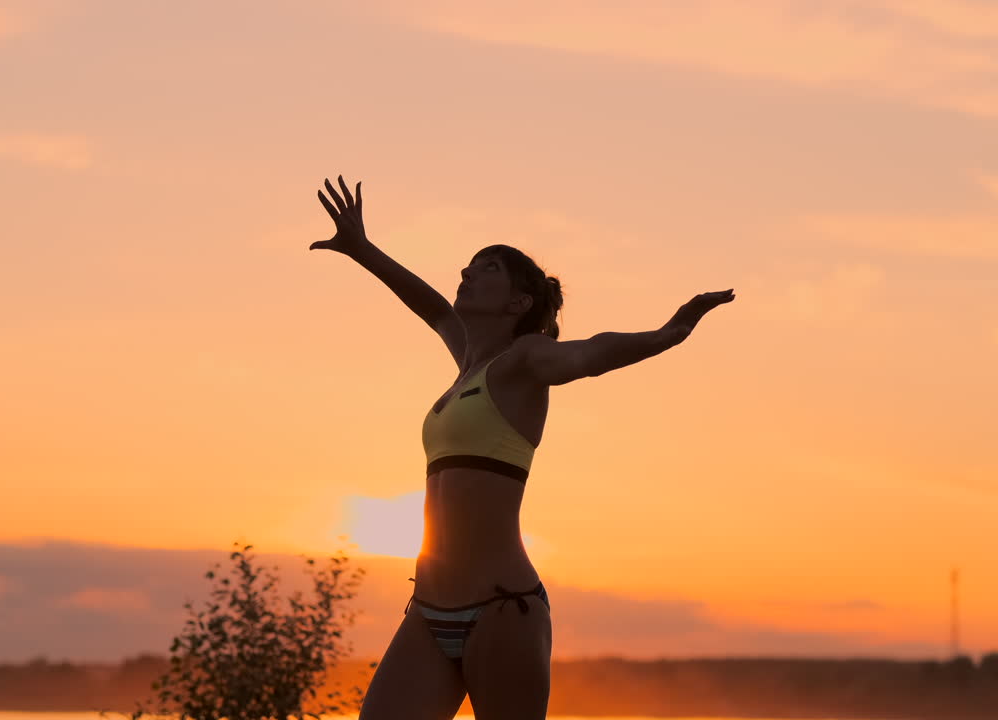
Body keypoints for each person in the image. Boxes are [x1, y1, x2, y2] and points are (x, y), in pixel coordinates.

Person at [310, 175, 735, 719]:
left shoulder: (525, 361)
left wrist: (667, 333)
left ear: (519, 301)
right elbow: (433, 306)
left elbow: (589, 354)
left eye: (488, 267)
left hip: (500, 608)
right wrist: (363, 250)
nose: (467, 272)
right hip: (427, 609)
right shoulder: (468, 362)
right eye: (468, 264)